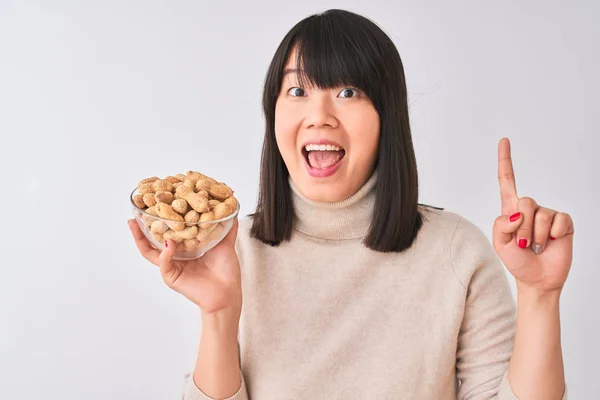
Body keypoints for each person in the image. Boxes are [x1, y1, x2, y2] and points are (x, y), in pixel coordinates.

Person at [128, 9, 573, 400]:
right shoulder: (232, 248)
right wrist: (219, 314)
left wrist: (539, 296)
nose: (319, 114)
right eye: (297, 91)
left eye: (347, 92)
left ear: (387, 115)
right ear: (273, 112)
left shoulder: (456, 251)